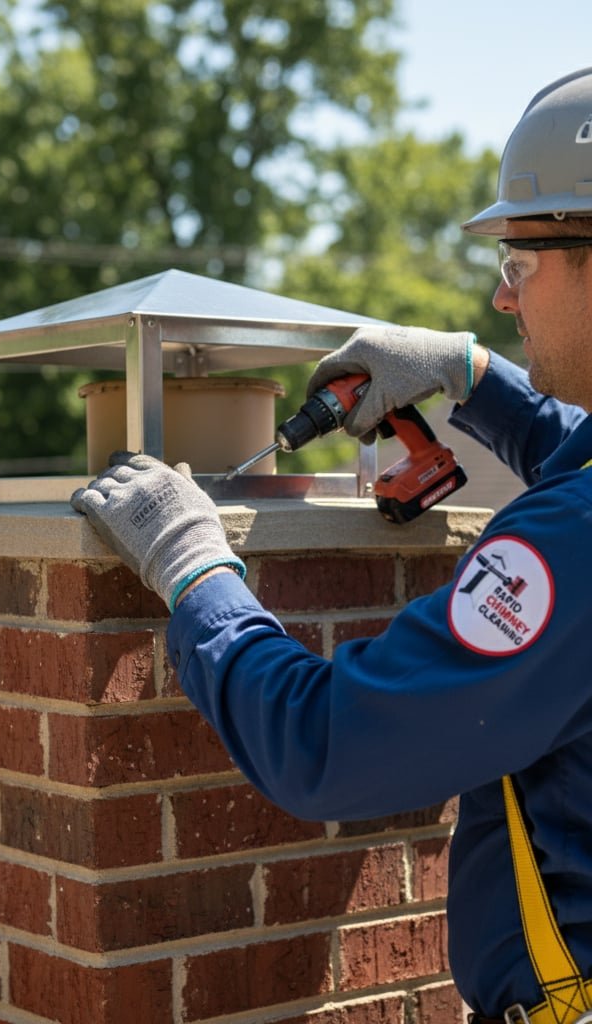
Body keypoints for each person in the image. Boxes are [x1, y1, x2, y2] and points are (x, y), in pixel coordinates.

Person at [70, 67, 592, 1024]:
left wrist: (198, 574)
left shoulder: (572, 544)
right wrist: (468, 375)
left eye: (518, 264)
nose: (503, 298)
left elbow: (329, 746)